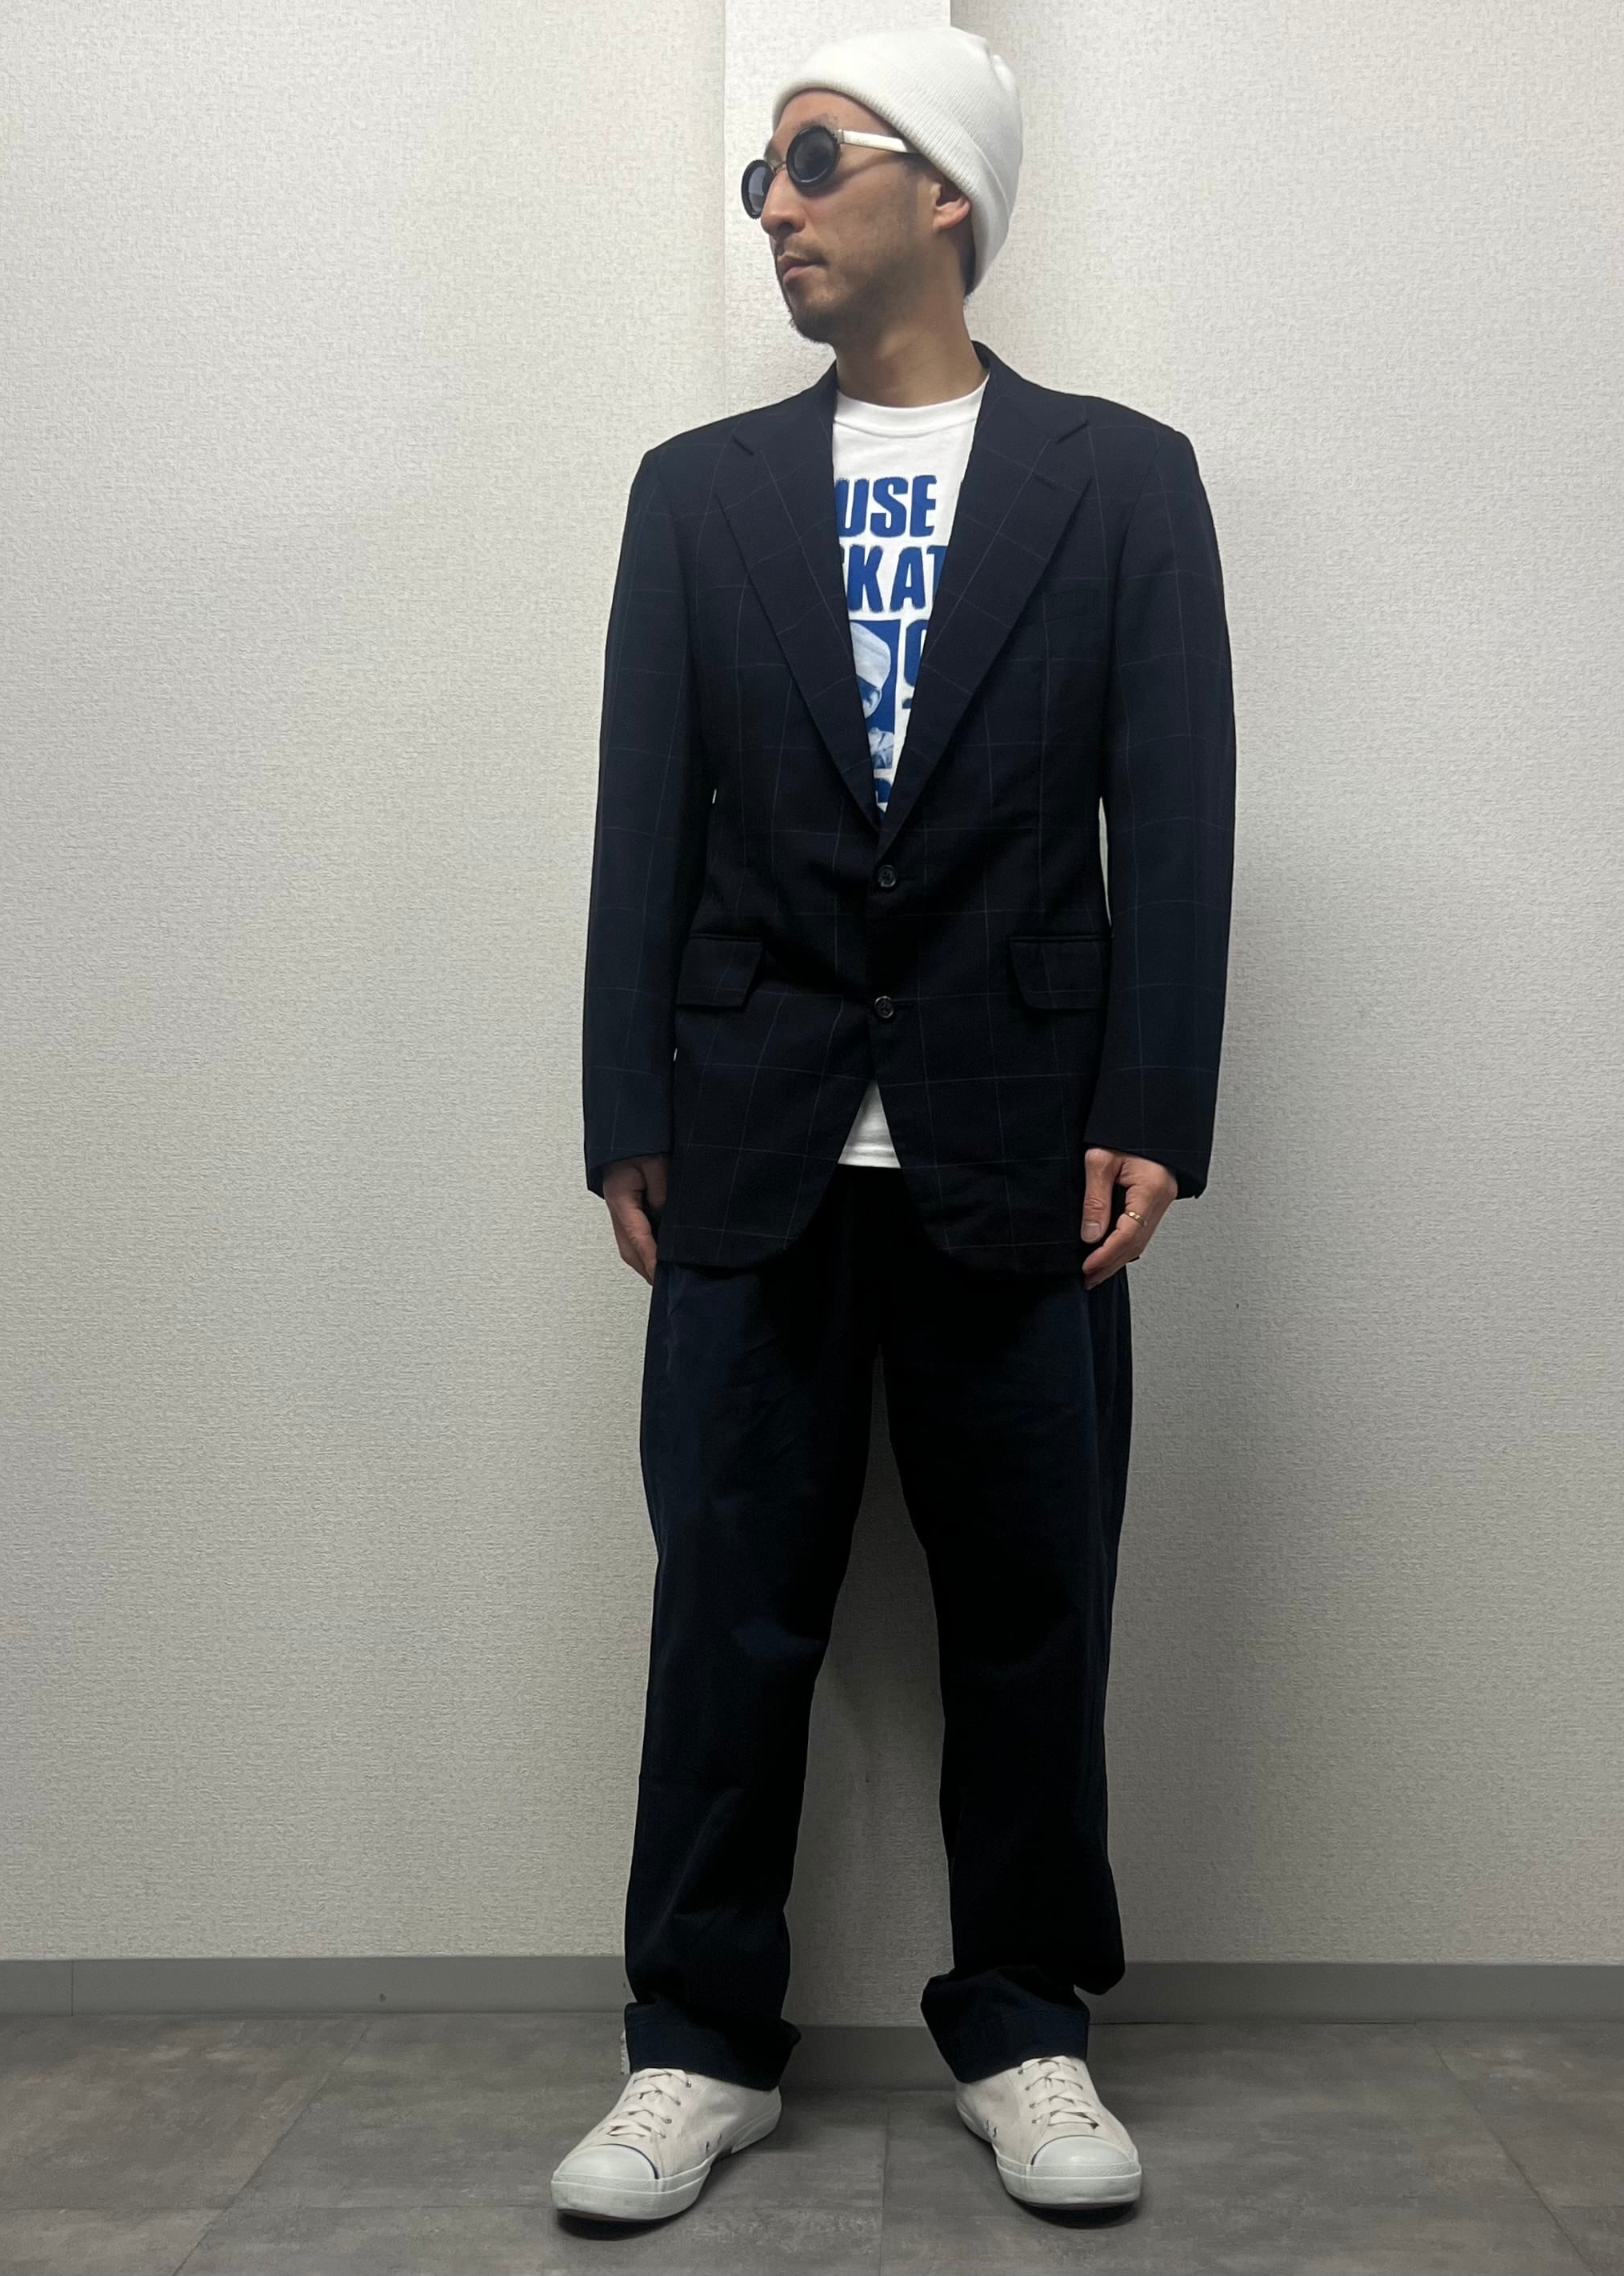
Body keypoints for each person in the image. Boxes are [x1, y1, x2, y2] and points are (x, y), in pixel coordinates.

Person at [554, 23, 1235, 2227]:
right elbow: (644, 824)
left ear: (942, 189)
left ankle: (1027, 2028)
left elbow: (1178, 819)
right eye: (762, 173)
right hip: (748, 1138)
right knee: (725, 1605)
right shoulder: (697, 494)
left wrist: (1154, 1108)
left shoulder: (1120, 482)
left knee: (1034, 1607)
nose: (774, 204)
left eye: (812, 160)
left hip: (1024, 1145)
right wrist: (623, 1108)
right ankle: (695, 2047)